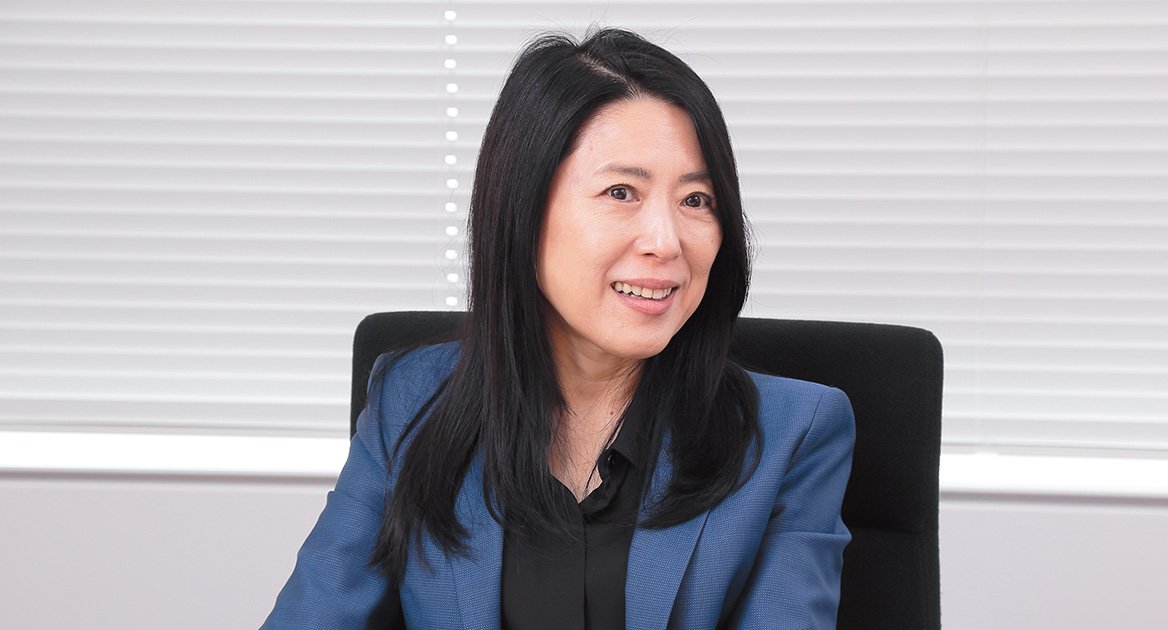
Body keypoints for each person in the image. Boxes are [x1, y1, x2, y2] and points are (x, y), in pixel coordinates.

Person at [264, 27, 854, 630]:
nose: (666, 241)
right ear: (523, 211)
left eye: (696, 200)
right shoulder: (409, 402)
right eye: (621, 192)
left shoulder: (792, 435)